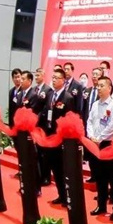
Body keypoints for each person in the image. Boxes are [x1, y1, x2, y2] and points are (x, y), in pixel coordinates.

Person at [86, 76, 113, 221]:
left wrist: (99, 138)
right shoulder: (95, 104)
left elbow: (112, 126)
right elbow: (89, 121)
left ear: (109, 88)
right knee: (99, 176)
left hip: (107, 144)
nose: (99, 88)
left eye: (102, 86)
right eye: (98, 86)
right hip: (94, 144)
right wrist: (91, 136)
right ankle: (101, 205)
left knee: (112, 177)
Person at [40, 69, 76, 205]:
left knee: (62, 169)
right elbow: (45, 112)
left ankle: (68, 197)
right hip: (49, 136)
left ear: (63, 80)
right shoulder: (50, 95)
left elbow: (70, 119)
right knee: (54, 168)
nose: (54, 80)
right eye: (53, 77)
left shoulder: (68, 98)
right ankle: (61, 195)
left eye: (57, 78)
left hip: (61, 139)